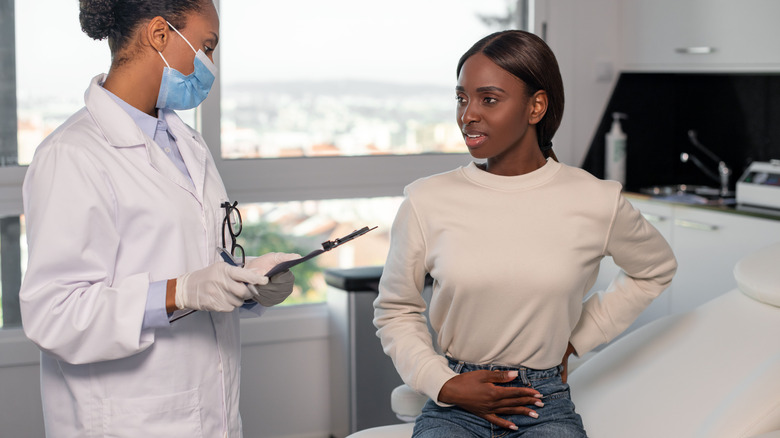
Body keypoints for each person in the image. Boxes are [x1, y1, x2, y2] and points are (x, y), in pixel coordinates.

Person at [373, 30, 677, 437]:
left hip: (543, 404)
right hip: (455, 404)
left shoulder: (595, 200)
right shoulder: (428, 200)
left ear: (536, 106)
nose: (468, 114)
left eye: (489, 99)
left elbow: (655, 269)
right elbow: (395, 309)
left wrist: (577, 338)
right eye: (462, 98)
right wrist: (442, 382)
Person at [19, 1, 299, 436]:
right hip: (127, 420)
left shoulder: (186, 143)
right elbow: (54, 315)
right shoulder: (72, 155)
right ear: (160, 34)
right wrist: (180, 292)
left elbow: (197, 262)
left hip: (211, 411)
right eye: (206, 47)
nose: (209, 64)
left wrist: (245, 285)